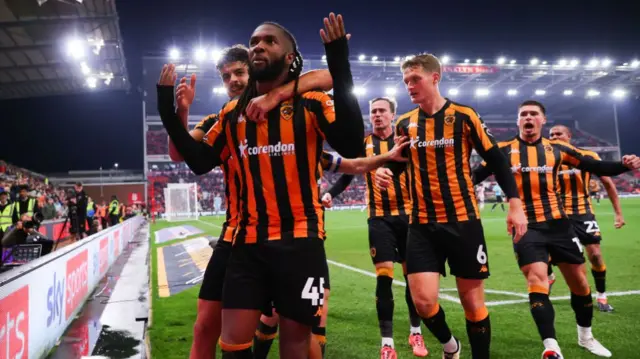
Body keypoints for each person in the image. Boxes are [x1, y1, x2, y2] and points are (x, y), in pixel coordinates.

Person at [159, 14, 366, 356]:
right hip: (242, 238)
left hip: (299, 239)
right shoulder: (226, 117)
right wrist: (173, 111)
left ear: (286, 58)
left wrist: (280, 93)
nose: (258, 47)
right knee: (221, 333)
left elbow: (332, 90)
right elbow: (186, 157)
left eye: (268, 42)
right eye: (254, 42)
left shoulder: (310, 102)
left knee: (296, 338)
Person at [375, 54, 527, 359]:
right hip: (420, 225)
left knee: (472, 304)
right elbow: (402, 165)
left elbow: (497, 160)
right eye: (406, 81)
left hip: (463, 221)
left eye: (415, 79)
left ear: (434, 78)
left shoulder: (464, 115)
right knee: (423, 302)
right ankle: (450, 346)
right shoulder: (405, 123)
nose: (409, 86)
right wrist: (385, 169)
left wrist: (515, 204)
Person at [472, 100, 640, 358]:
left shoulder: (558, 149)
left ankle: (586, 337)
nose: (528, 117)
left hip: (560, 226)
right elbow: (472, 177)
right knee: (536, 281)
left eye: (533, 114)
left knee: (581, 285)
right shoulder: (502, 151)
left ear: (542, 120)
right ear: (518, 121)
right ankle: (551, 346)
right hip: (526, 227)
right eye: (523, 114)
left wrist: (624, 165)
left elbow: (595, 166)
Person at [322, 97, 428, 358]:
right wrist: (330, 194)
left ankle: (416, 332)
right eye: (373, 112)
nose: (377, 115)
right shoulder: (364, 144)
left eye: (382, 111)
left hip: (409, 217)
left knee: (413, 280)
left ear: (393, 115)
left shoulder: (405, 141)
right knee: (384, 277)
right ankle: (387, 344)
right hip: (379, 219)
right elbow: (349, 173)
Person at [547, 125, 624, 312]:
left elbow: (608, 184)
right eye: (551, 135)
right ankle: (550, 277)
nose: (555, 137)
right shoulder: (547, 159)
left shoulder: (588, 156)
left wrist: (618, 213)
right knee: (545, 255)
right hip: (558, 214)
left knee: (595, 255)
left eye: (559, 134)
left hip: (583, 212)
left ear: (569, 136)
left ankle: (602, 296)